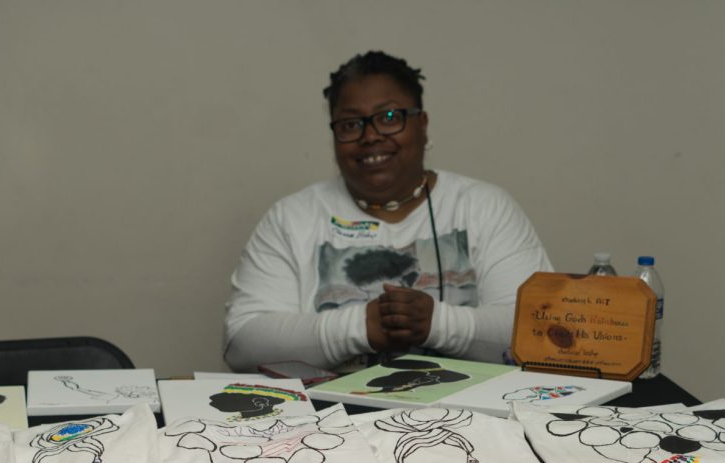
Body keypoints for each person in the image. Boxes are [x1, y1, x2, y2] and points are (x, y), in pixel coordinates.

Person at [224, 51, 552, 372]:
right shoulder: (291, 218)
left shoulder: (484, 207)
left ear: (422, 124)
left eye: (390, 117)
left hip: (469, 407)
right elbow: (243, 345)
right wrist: (362, 327)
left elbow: (541, 333)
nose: (370, 136)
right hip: (327, 408)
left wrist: (438, 324)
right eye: (351, 124)